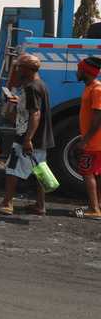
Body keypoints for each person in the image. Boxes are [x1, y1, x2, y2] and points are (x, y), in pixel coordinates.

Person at [0, 54, 55, 215]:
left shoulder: (31, 88)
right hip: (40, 137)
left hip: (27, 136)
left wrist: (27, 139)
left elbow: (35, 114)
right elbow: (32, 109)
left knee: (12, 168)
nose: (17, 69)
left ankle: (7, 203)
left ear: (28, 70)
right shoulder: (40, 84)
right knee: (39, 170)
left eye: (20, 67)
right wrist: (18, 101)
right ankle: (40, 205)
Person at [75, 57, 101, 218]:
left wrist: (85, 141)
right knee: (95, 173)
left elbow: (98, 118)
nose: (76, 72)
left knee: (87, 172)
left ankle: (93, 209)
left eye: (79, 69)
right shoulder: (90, 87)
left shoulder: (97, 90)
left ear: (85, 72)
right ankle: (96, 205)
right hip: (93, 140)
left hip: (94, 143)